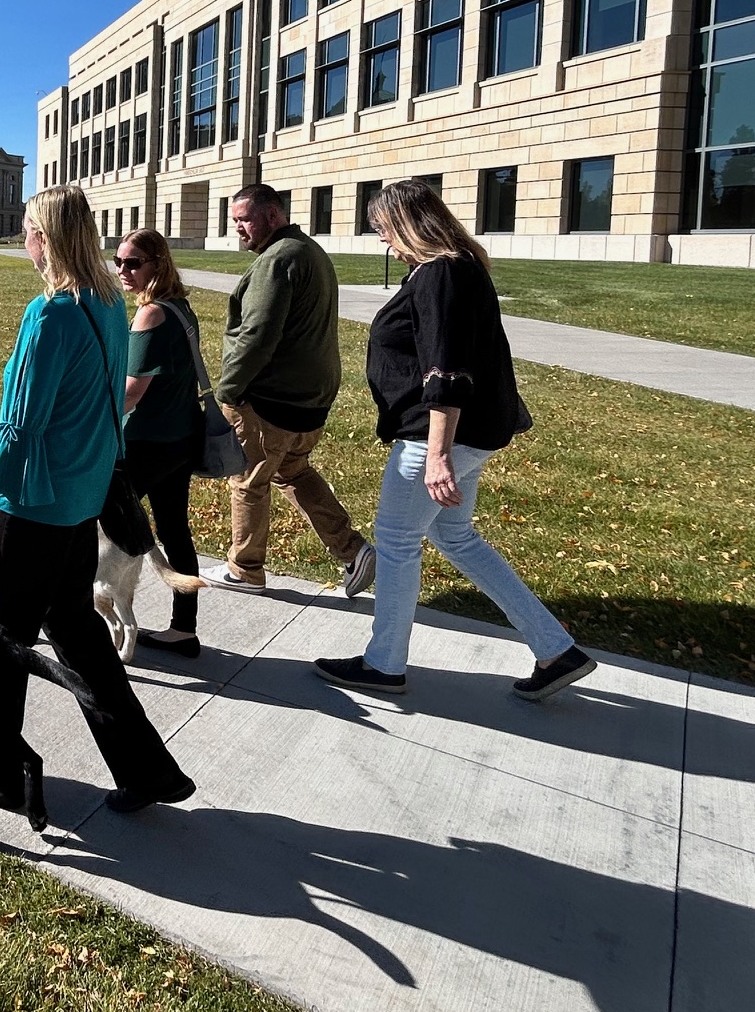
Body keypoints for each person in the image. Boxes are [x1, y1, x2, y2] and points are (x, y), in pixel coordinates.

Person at [316, 178, 596, 700]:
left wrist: (438, 455)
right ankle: (556, 650)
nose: (383, 241)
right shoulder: (458, 267)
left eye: (383, 229)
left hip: (436, 437)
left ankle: (383, 665)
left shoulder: (440, 273)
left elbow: (446, 369)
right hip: (466, 436)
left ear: (406, 224)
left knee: (397, 543)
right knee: (455, 536)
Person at [0, 184, 194, 814]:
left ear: (45, 238)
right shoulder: (108, 303)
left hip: (31, 505)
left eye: (28, 230)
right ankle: (147, 769)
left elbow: (21, 423)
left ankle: (0, 773)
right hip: (79, 502)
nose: (24, 240)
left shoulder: (52, 313)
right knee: (80, 638)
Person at [206, 184, 374, 598]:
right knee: (292, 471)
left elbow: (257, 335)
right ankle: (353, 550)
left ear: (273, 216)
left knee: (248, 481)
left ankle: (244, 569)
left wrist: (228, 392)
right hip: (310, 399)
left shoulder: (279, 258)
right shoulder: (308, 250)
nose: (239, 229)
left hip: (271, 401)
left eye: (244, 219)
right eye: (235, 222)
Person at [114, 227, 203, 658]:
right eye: (118, 262)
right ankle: (183, 629)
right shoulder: (182, 308)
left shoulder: (151, 314)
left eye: (133, 263)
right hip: (181, 440)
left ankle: (70, 613)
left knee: (93, 523)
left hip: (146, 443)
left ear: (158, 264)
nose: (122, 271)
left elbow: (132, 389)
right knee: (174, 530)